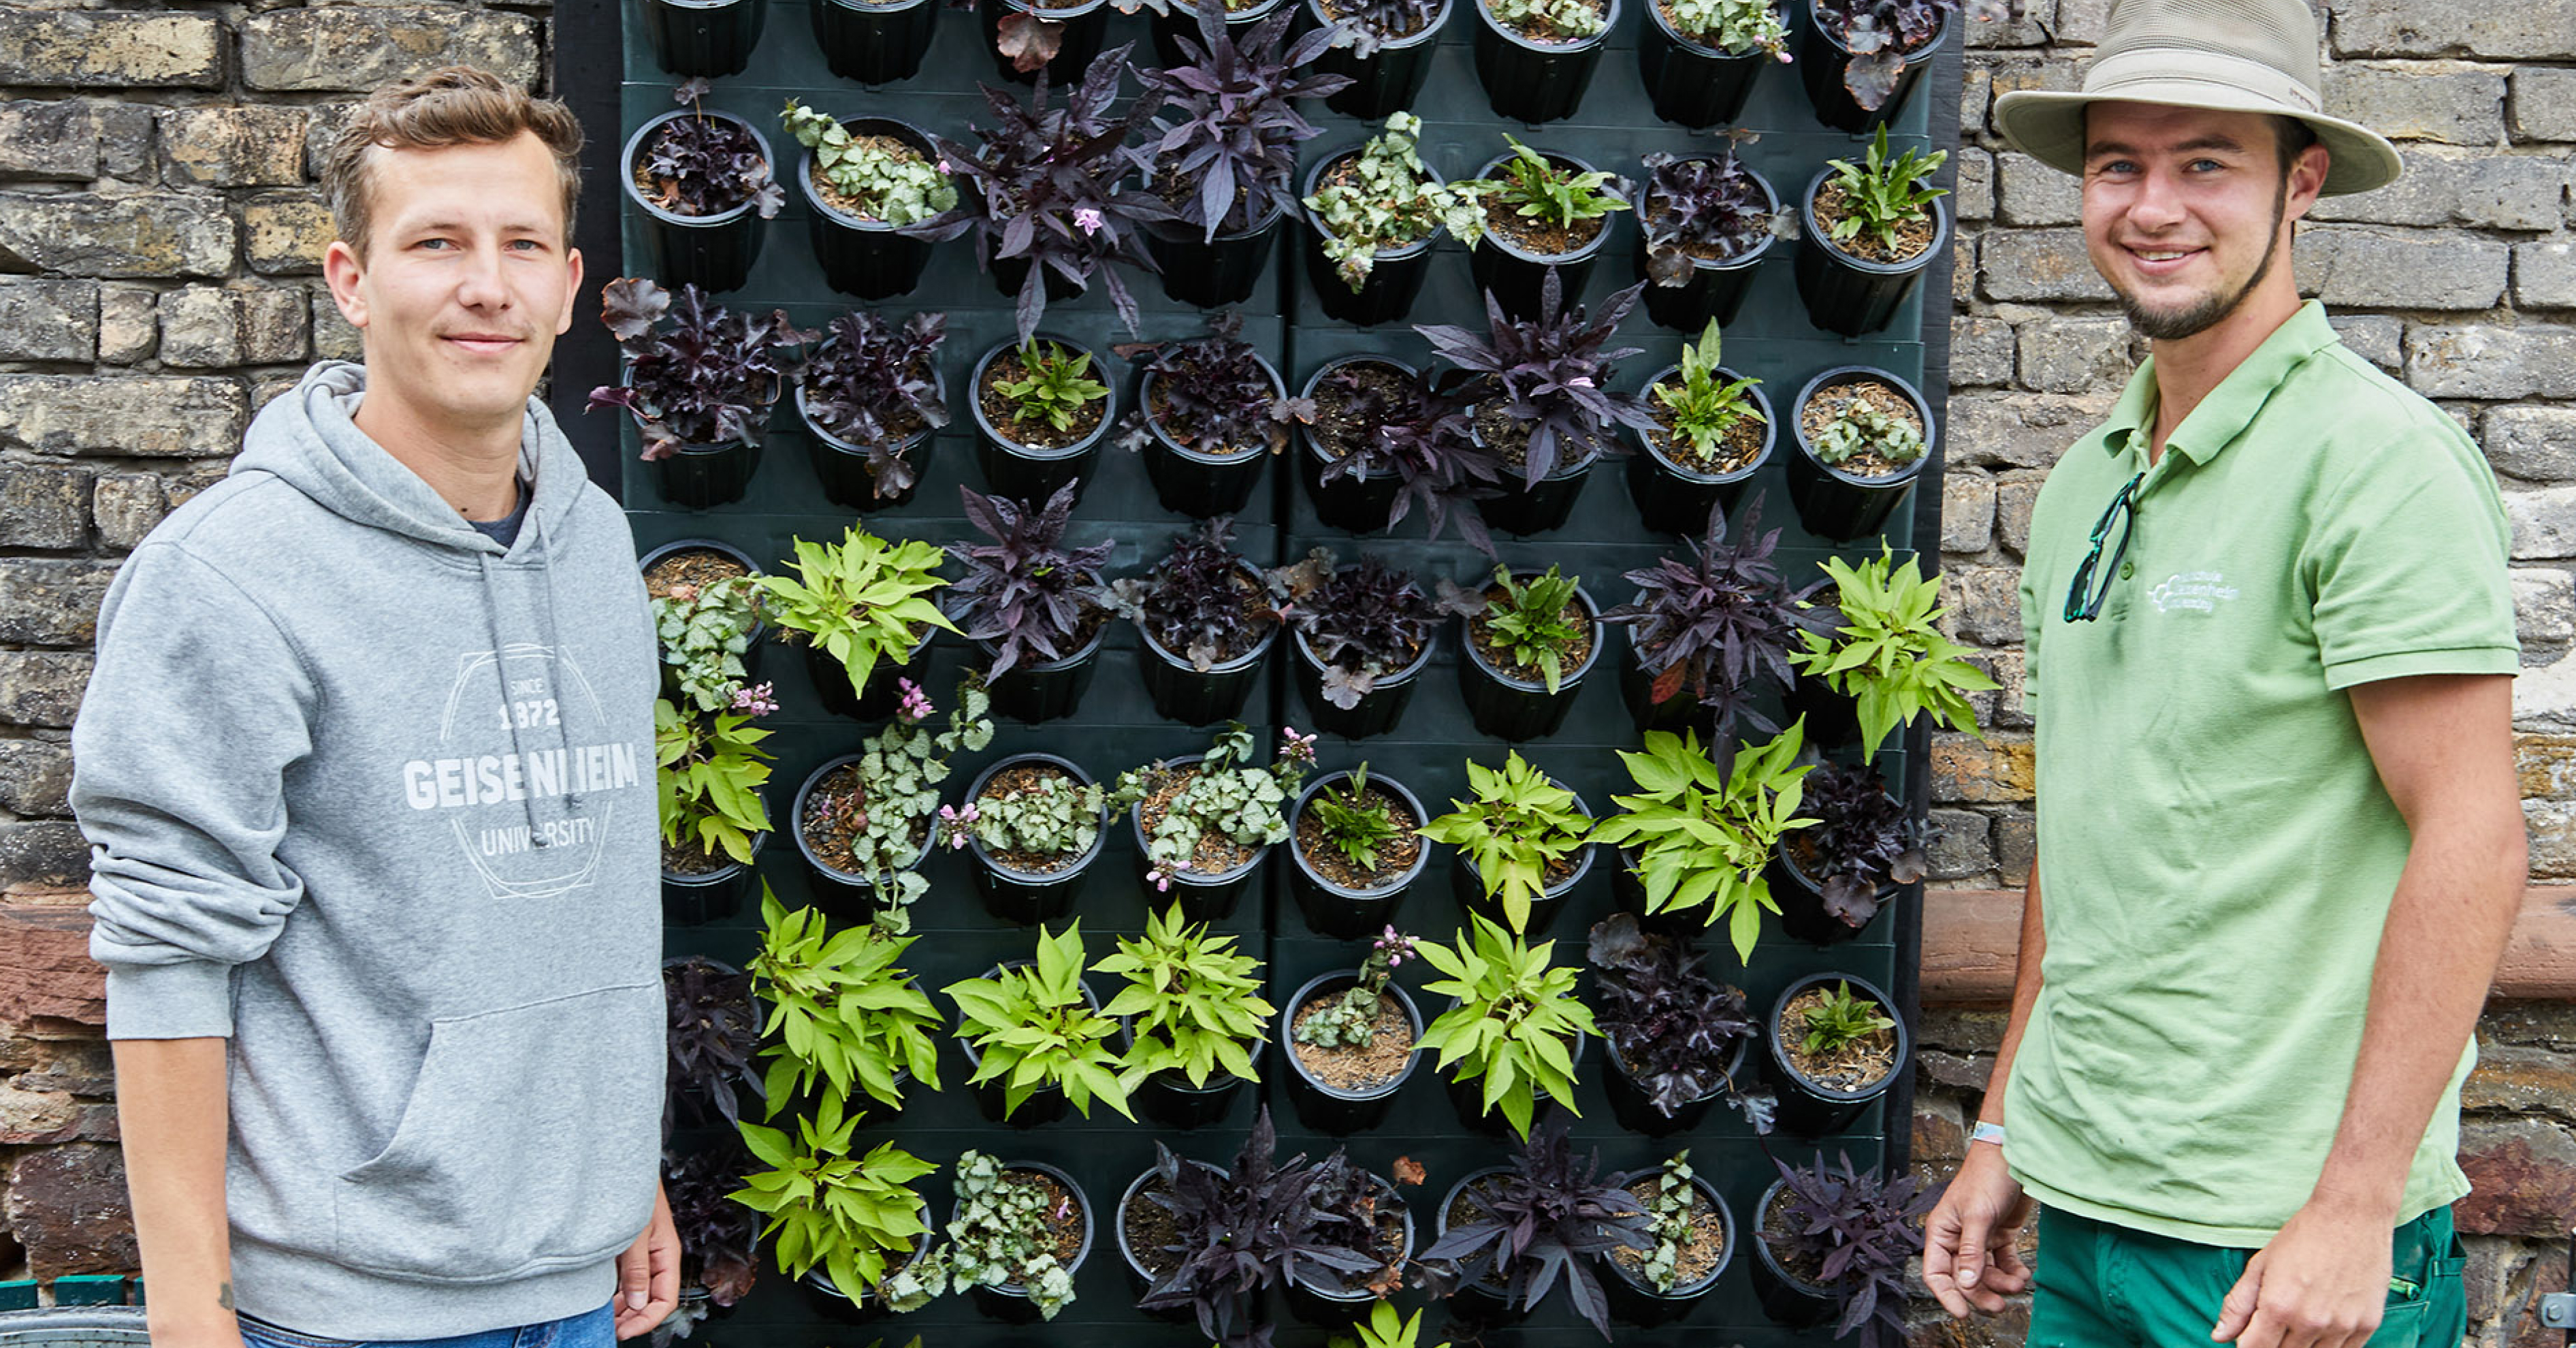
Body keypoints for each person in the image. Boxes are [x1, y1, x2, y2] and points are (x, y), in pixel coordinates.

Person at [1923, 1, 2528, 1345]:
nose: (2152, 207)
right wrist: (2006, 1127)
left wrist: (2356, 1204)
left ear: (2296, 183)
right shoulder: (2085, 481)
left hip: (2275, 1240)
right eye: (2116, 165)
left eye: (2204, 163)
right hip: (2083, 1198)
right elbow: (2083, 830)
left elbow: (2472, 838)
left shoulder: (2372, 464)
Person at [74, 67, 679, 1347]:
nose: (486, 284)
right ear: (351, 279)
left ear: (571, 287)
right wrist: (194, 1323)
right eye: (437, 244)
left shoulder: (596, 545)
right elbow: (169, 961)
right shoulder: (228, 577)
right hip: (342, 1314)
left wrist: (616, 1178)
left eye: (524, 244)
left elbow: (573, 908)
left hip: (579, 1290)